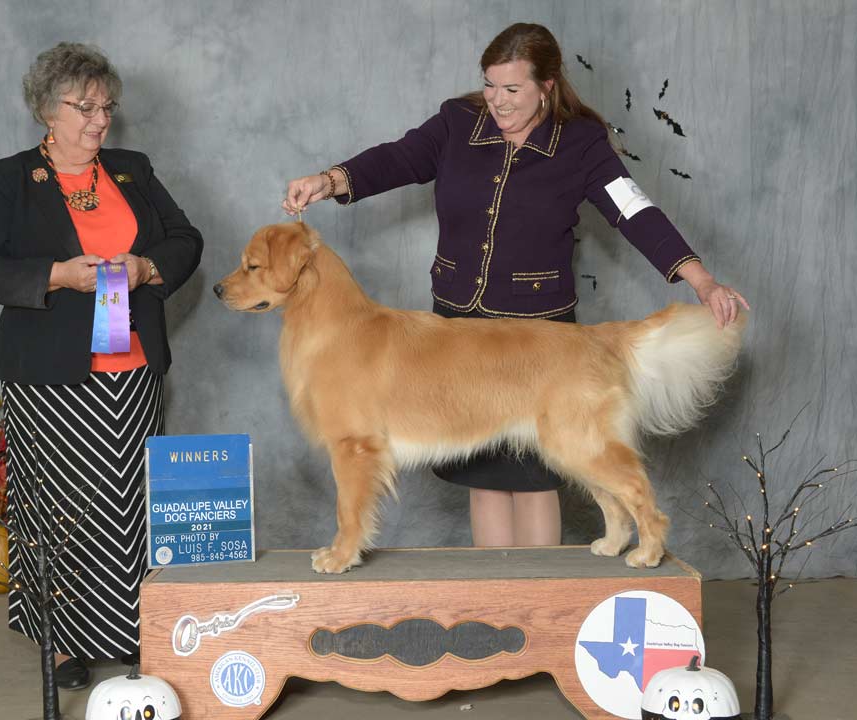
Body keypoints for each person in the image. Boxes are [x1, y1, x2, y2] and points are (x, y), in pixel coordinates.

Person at [283, 23, 749, 551]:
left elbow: (634, 212)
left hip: (538, 338)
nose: (497, 102)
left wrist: (701, 279)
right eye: (489, 85)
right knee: (485, 481)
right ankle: (499, 594)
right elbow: (398, 158)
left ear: (546, 85)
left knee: (535, 479)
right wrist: (330, 180)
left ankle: (541, 596)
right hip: (456, 333)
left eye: (512, 90)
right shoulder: (457, 123)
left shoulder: (582, 142)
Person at [0, 42, 203, 690]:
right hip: (50, 375)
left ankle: (131, 630)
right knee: (58, 508)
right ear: (47, 110)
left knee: (130, 504)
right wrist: (55, 275)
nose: (102, 121)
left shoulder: (132, 169)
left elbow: (185, 239)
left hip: (134, 370)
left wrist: (147, 266)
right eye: (85, 107)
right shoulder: (11, 179)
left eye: (107, 107)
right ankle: (61, 639)